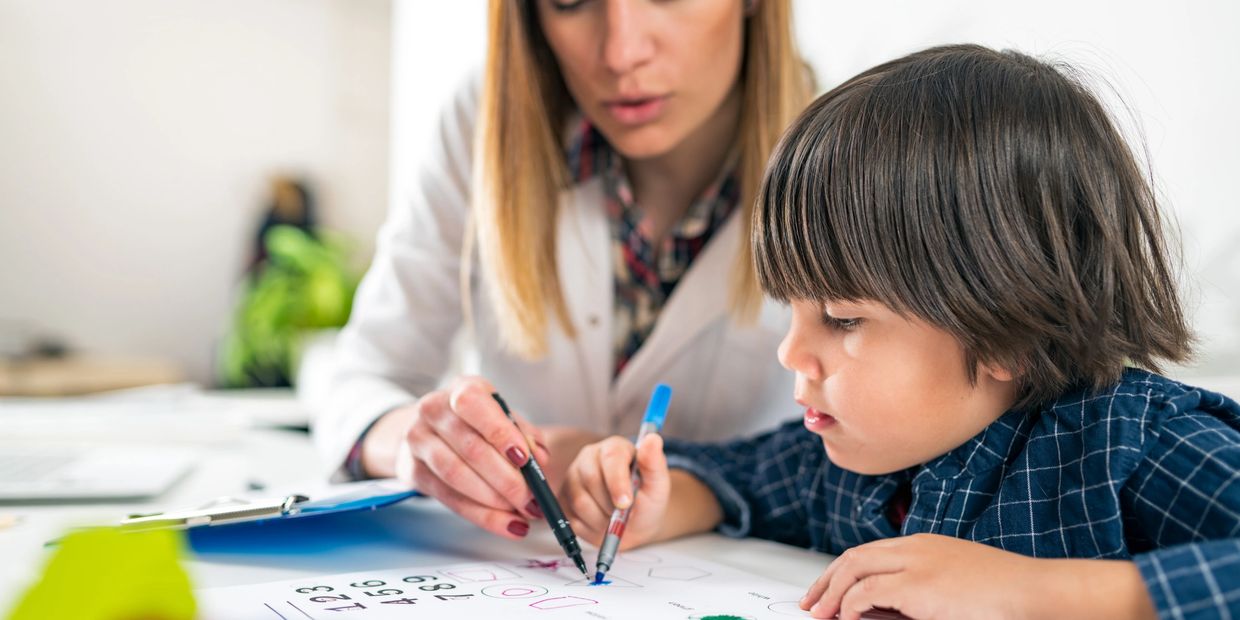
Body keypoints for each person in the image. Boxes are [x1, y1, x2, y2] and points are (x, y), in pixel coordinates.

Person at [562, 45, 1240, 619]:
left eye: (844, 319)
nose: (791, 352)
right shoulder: (858, 453)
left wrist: (1038, 593)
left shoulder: (1135, 446)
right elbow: (742, 478)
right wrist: (660, 500)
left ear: (1008, 334)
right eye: (790, 309)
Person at [309, 0, 813, 542]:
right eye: (570, 2)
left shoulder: (859, 152)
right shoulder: (483, 122)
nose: (620, 54)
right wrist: (420, 442)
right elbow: (359, 380)